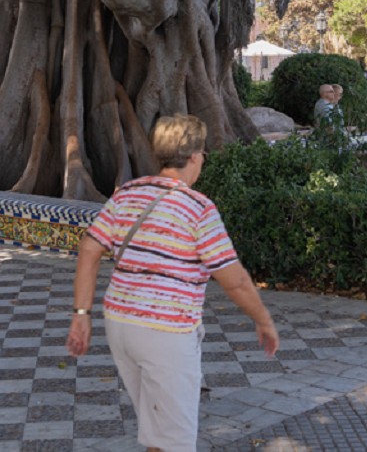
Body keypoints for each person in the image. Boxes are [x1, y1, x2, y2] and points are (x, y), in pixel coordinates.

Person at [67, 115, 279, 452]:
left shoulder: (127, 194)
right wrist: (264, 320)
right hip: (164, 332)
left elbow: (90, 247)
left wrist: (81, 313)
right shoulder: (198, 208)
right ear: (195, 157)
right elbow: (234, 279)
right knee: (176, 440)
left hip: (120, 326)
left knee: (157, 432)